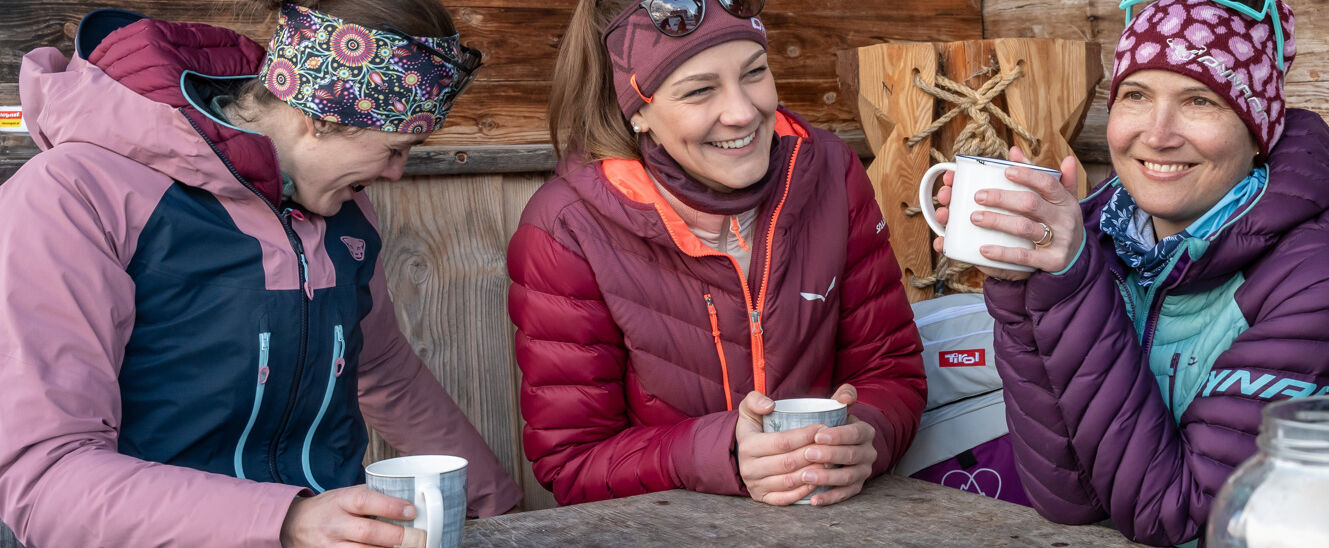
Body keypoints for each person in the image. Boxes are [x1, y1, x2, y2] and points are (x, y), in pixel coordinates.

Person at [0, 1, 523, 546]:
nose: (396, 173)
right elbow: (44, 476)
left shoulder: (340, 211)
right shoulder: (74, 197)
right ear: (317, 117)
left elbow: (384, 369)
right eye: (394, 149)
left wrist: (503, 511)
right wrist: (284, 523)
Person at [931, 0, 1329, 543]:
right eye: (1136, 95)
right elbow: (1065, 495)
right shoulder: (1104, 235)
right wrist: (1023, 284)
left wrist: (1072, 280)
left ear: (1258, 133)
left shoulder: (1325, 285)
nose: (1157, 135)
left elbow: (1182, 518)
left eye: (1199, 101)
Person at [509, 0, 927, 507]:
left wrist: (866, 439)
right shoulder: (568, 227)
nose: (743, 112)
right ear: (638, 110)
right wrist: (725, 451)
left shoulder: (830, 174)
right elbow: (573, 462)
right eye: (699, 91)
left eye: (755, 73)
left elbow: (890, 372)